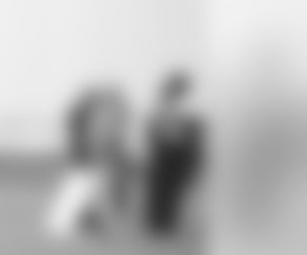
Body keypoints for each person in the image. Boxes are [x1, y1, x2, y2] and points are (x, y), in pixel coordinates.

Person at [44, 86, 132, 240]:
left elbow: (96, 138)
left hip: (89, 161)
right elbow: (92, 139)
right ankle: (72, 223)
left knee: (94, 192)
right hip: (88, 161)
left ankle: (90, 222)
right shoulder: (84, 117)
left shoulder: (84, 116)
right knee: (83, 191)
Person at [143, 72, 204, 236]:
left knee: (174, 193)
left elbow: (192, 139)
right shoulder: (160, 110)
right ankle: (159, 225)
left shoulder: (186, 113)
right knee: (162, 192)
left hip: (179, 156)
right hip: (165, 156)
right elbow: (153, 134)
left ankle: (166, 225)